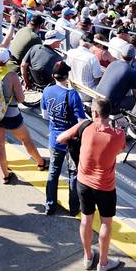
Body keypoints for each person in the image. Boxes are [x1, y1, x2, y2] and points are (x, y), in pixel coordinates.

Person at [57, 97, 126, 271]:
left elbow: (61, 138)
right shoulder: (118, 135)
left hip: (83, 182)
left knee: (86, 219)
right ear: (108, 113)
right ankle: (103, 262)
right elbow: (121, 149)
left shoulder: (85, 126)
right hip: (106, 186)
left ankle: (88, 257)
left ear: (94, 113)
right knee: (106, 223)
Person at [0, 47, 47, 185]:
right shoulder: (12, 75)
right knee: (26, 139)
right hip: (11, 115)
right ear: (7, 60)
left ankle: (5, 176)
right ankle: (41, 163)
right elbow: (21, 99)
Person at [42, 61, 86, 216]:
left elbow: (45, 115)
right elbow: (81, 121)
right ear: (66, 76)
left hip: (54, 138)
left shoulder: (47, 91)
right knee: (73, 173)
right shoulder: (72, 94)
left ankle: (50, 205)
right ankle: (74, 208)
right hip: (72, 142)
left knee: (53, 172)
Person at [95, 43, 136, 112]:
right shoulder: (133, 72)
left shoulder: (112, 63)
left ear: (121, 54)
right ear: (133, 57)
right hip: (109, 106)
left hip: (96, 99)